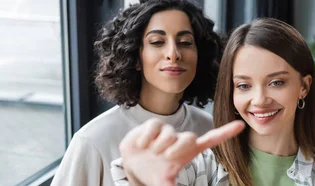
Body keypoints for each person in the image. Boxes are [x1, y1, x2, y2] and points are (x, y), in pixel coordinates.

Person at [111, 18, 315, 186]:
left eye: (276, 82)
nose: (259, 100)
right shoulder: (201, 169)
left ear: (304, 86)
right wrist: (139, 177)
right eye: (244, 86)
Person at [51, 0, 223, 185]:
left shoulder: (210, 130)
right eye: (157, 42)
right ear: (135, 57)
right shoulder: (94, 140)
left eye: (185, 42)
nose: (173, 53)